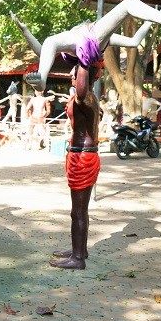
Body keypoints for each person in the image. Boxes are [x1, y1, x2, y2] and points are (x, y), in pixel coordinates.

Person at [10, 0, 161, 92]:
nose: (72, 74)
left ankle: (42, 81)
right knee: (127, 4)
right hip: (90, 39)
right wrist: (25, 31)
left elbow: (133, 42)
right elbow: (133, 42)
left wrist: (25, 31)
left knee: (49, 42)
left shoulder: (68, 44)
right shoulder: (75, 44)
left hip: (89, 39)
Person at [47, 61, 102, 269]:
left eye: (77, 70)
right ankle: (80, 249)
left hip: (83, 158)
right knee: (79, 210)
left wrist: (85, 57)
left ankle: (77, 259)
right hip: (81, 155)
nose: (72, 72)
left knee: (78, 211)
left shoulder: (84, 97)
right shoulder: (89, 97)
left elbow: (80, 88)